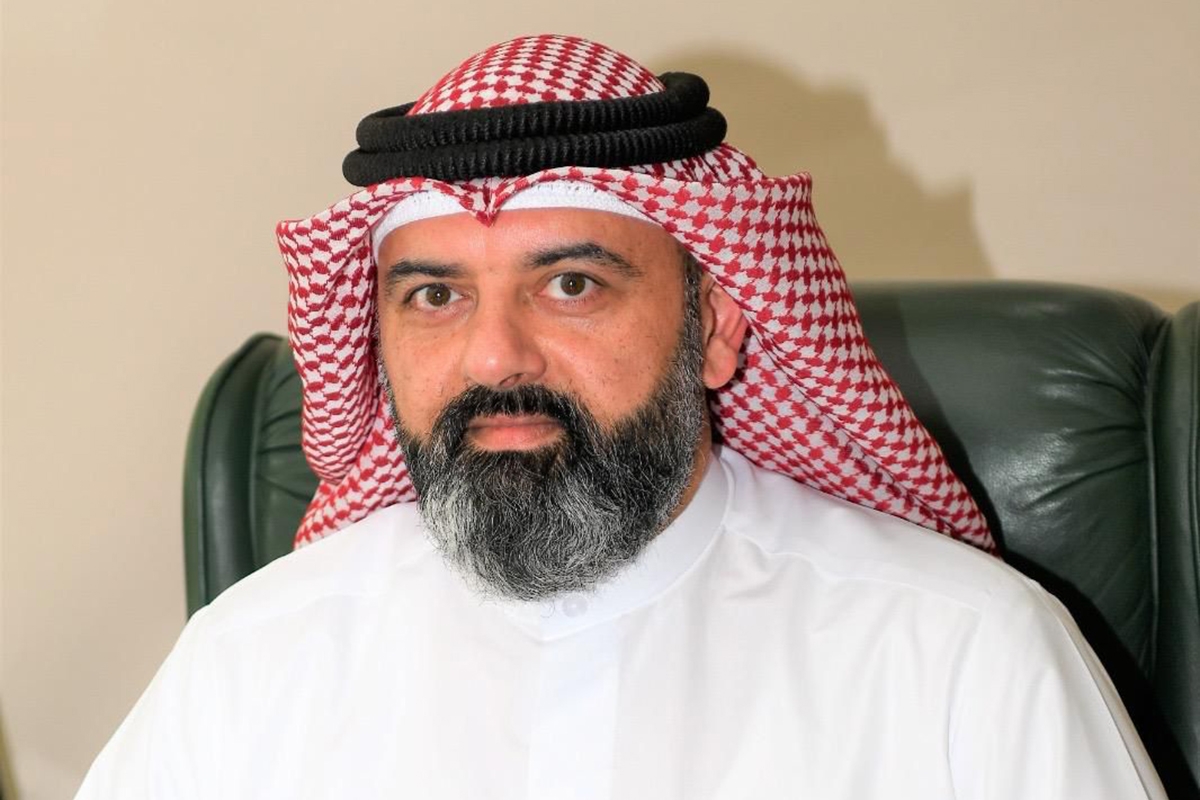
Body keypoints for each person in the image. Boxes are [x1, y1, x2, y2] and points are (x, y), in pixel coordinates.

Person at [76, 34, 1166, 799]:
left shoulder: (962, 653)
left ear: (718, 323)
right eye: (435, 296)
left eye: (572, 285)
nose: (494, 355)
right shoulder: (250, 663)